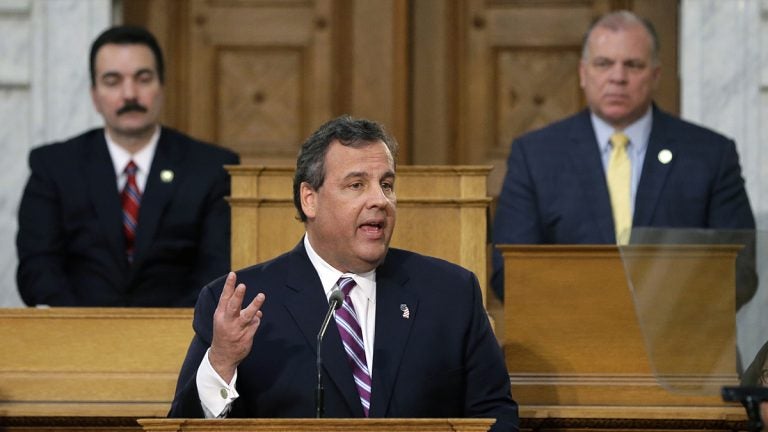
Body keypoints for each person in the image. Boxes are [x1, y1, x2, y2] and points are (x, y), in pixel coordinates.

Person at [168, 115, 519, 430]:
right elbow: (183, 426)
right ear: (310, 199)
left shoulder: (451, 293)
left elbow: (495, 415)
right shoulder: (241, 303)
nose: (380, 200)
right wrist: (222, 362)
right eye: (356, 185)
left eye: (386, 184)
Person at [490, 11, 755, 302]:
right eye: (604, 64)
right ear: (582, 72)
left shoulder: (710, 154)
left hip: (679, 338)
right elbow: (509, 273)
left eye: (633, 65)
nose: (618, 77)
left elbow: (739, 272)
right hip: (570, 339)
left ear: (655, 75)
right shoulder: (536, 155)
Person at [16, 25, 239, 307]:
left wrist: (163, 334)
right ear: (94, 95)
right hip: (75, 337)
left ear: (162, 87)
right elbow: (38, 268)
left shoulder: (211, 168)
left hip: (180, 339)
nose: (130, 93)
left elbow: (218, 269)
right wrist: (83, 330)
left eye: (143, 79)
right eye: (112, 81)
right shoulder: (54, 167)